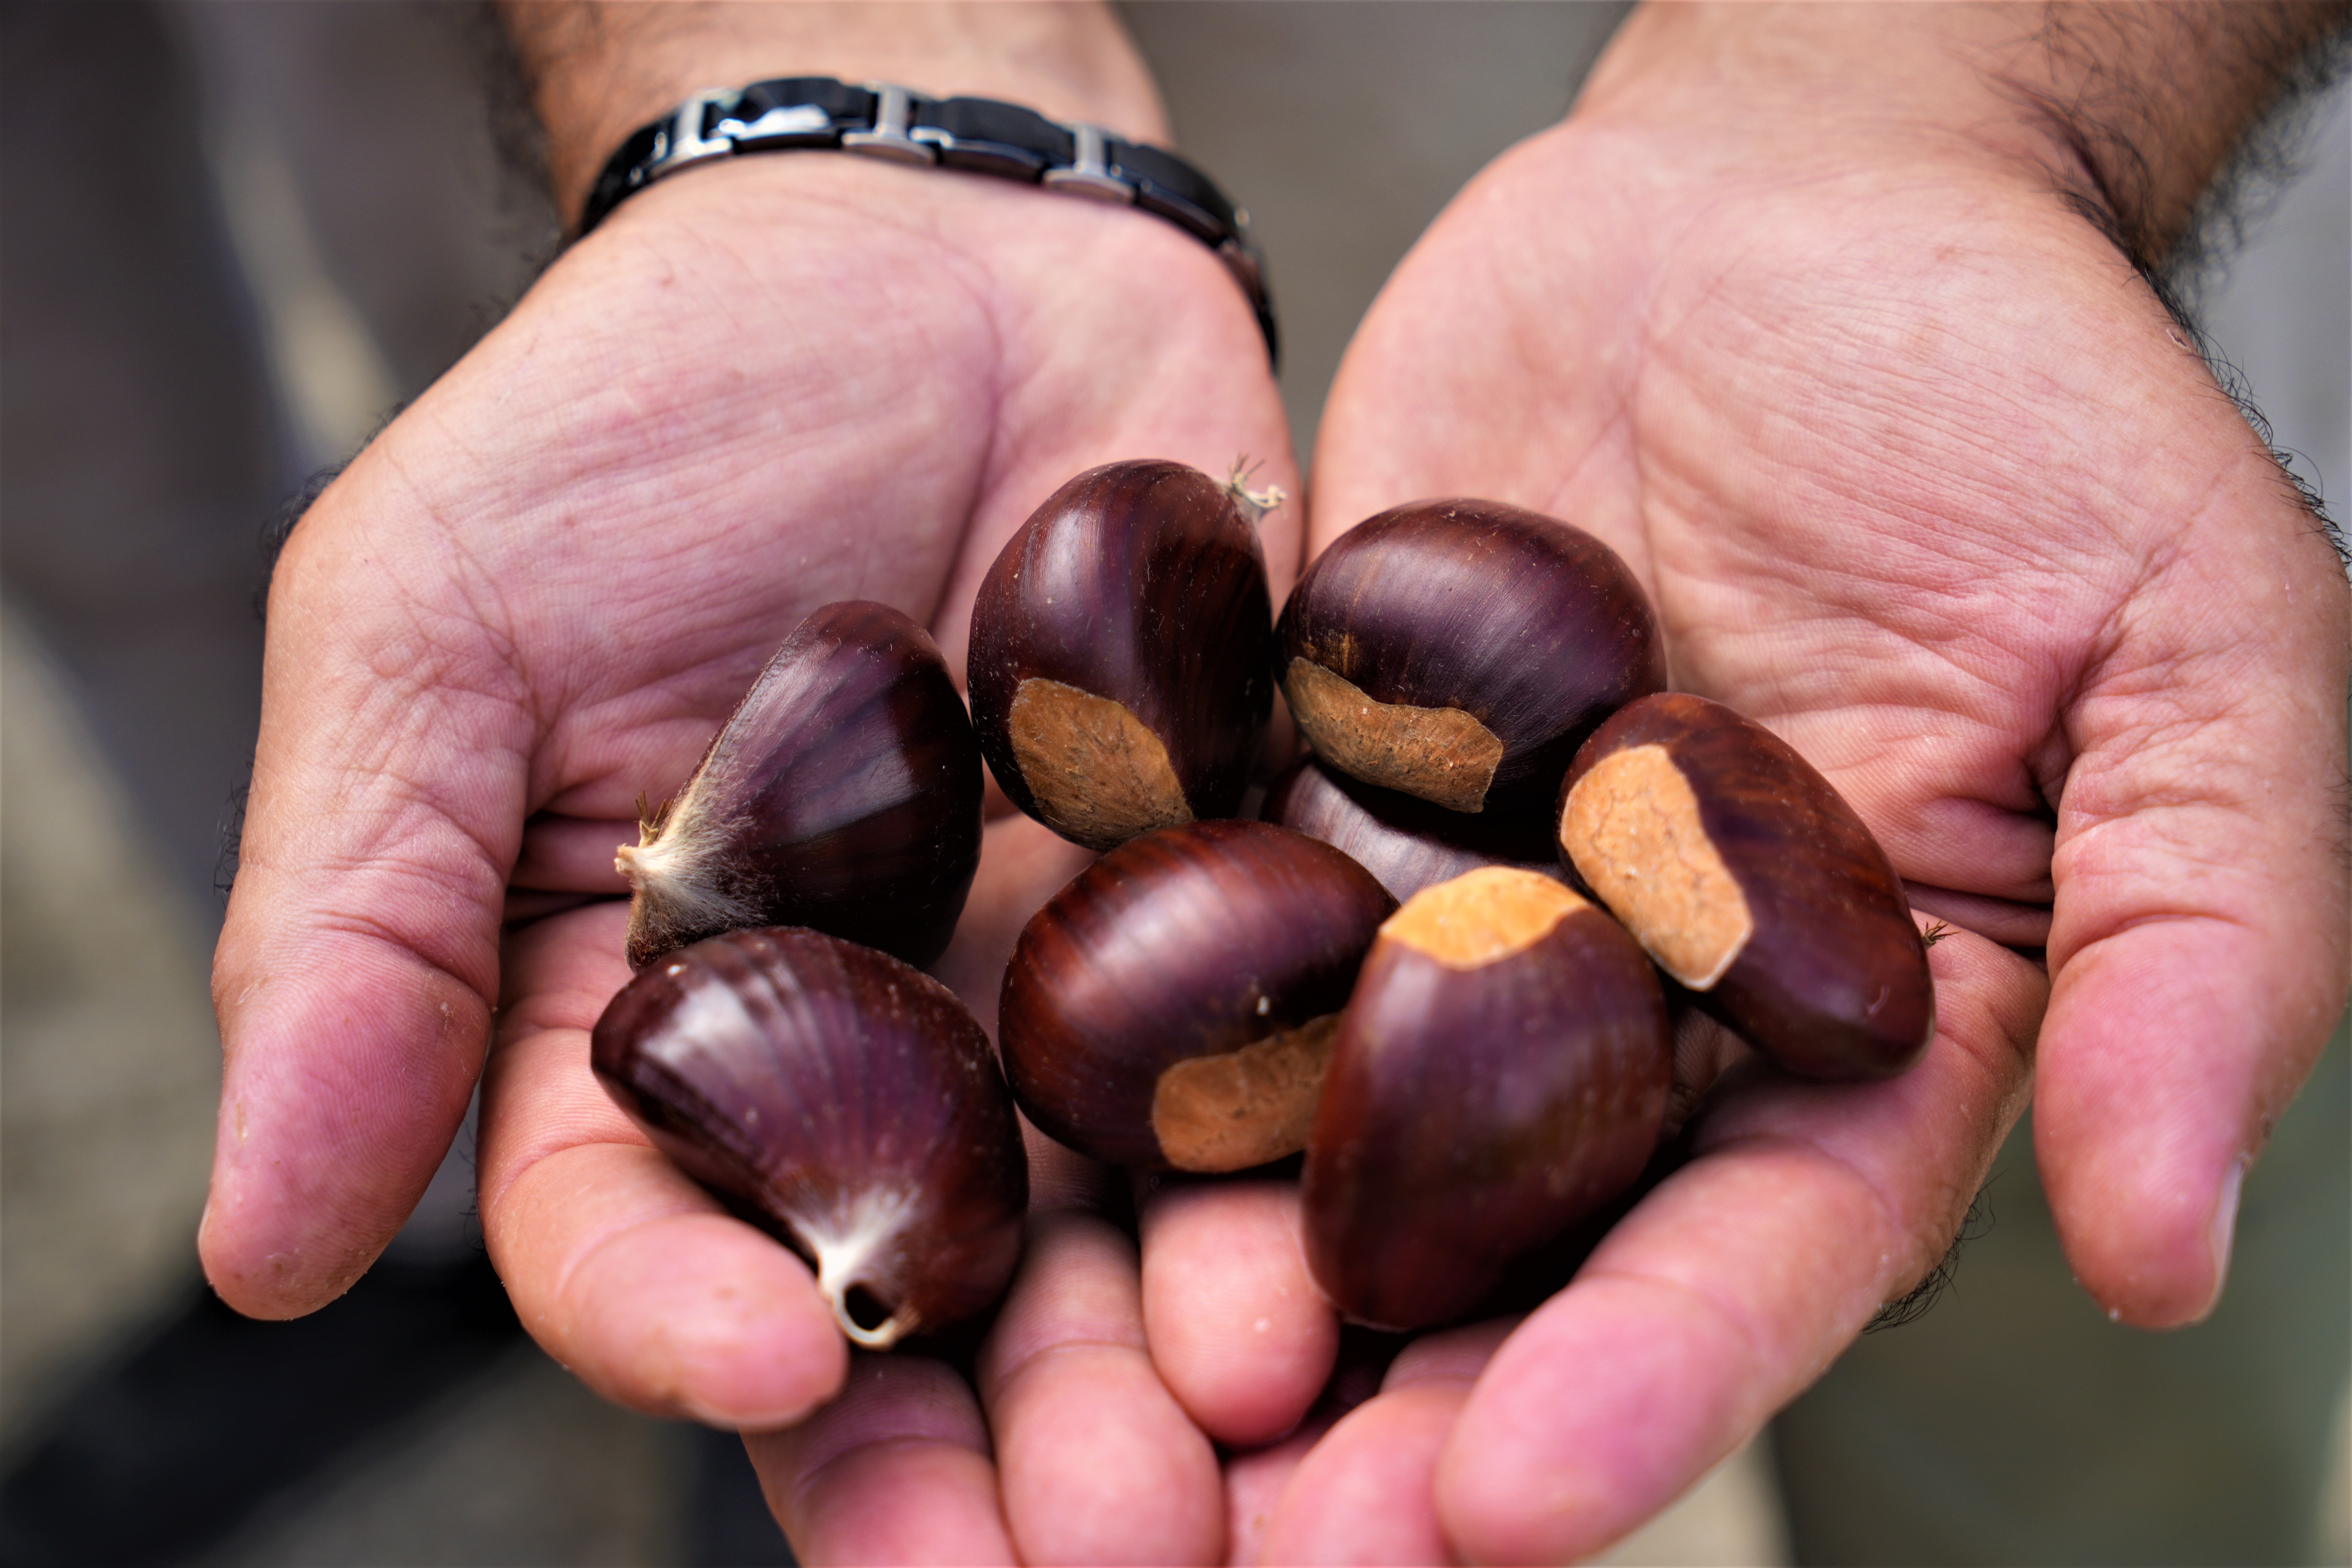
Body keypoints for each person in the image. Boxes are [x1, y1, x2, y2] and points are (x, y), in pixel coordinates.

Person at [199, 2, 2351, 1561]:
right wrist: (822, 80)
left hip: (1910, 431)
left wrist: (1931, 103)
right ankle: (811, 1320)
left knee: (2088, 1362)